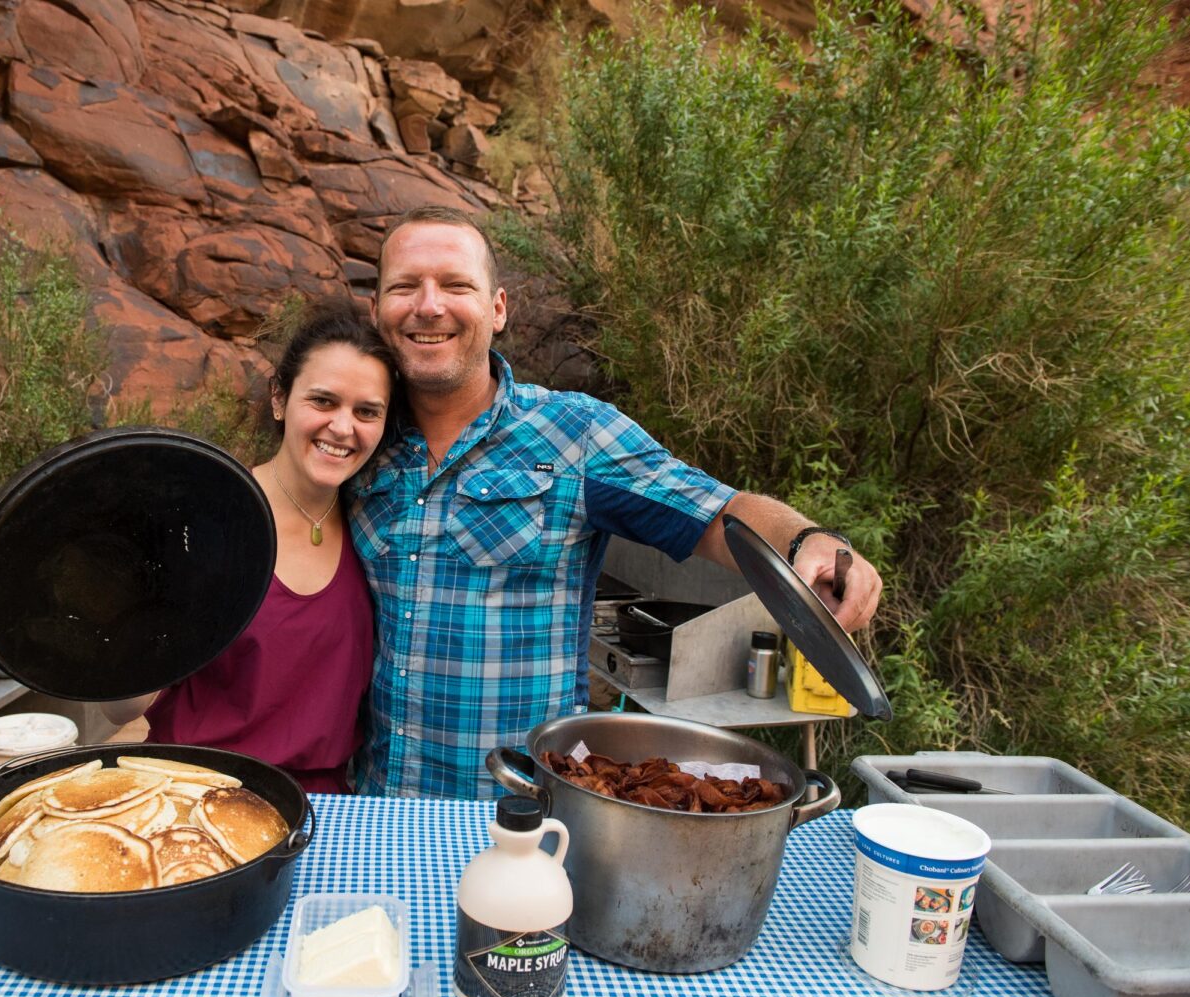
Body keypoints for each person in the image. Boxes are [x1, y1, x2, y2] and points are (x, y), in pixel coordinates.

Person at [348, 205, 885, 799]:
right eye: (404, 286)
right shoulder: (355, 440)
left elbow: (716, 513)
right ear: (375, 312)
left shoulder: (576, 435)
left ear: (497, 308)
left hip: (524, 813)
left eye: (455, 285)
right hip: (376, 803)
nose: (428, 305)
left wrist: (808, 542)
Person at [101, 301, 398, 793]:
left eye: (366, 411)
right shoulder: (204, 521)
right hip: (192, 793)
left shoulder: (377, 527)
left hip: (325, 809)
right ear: (280, 398)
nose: (343, 428)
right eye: (323, 401)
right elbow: (117, 706)